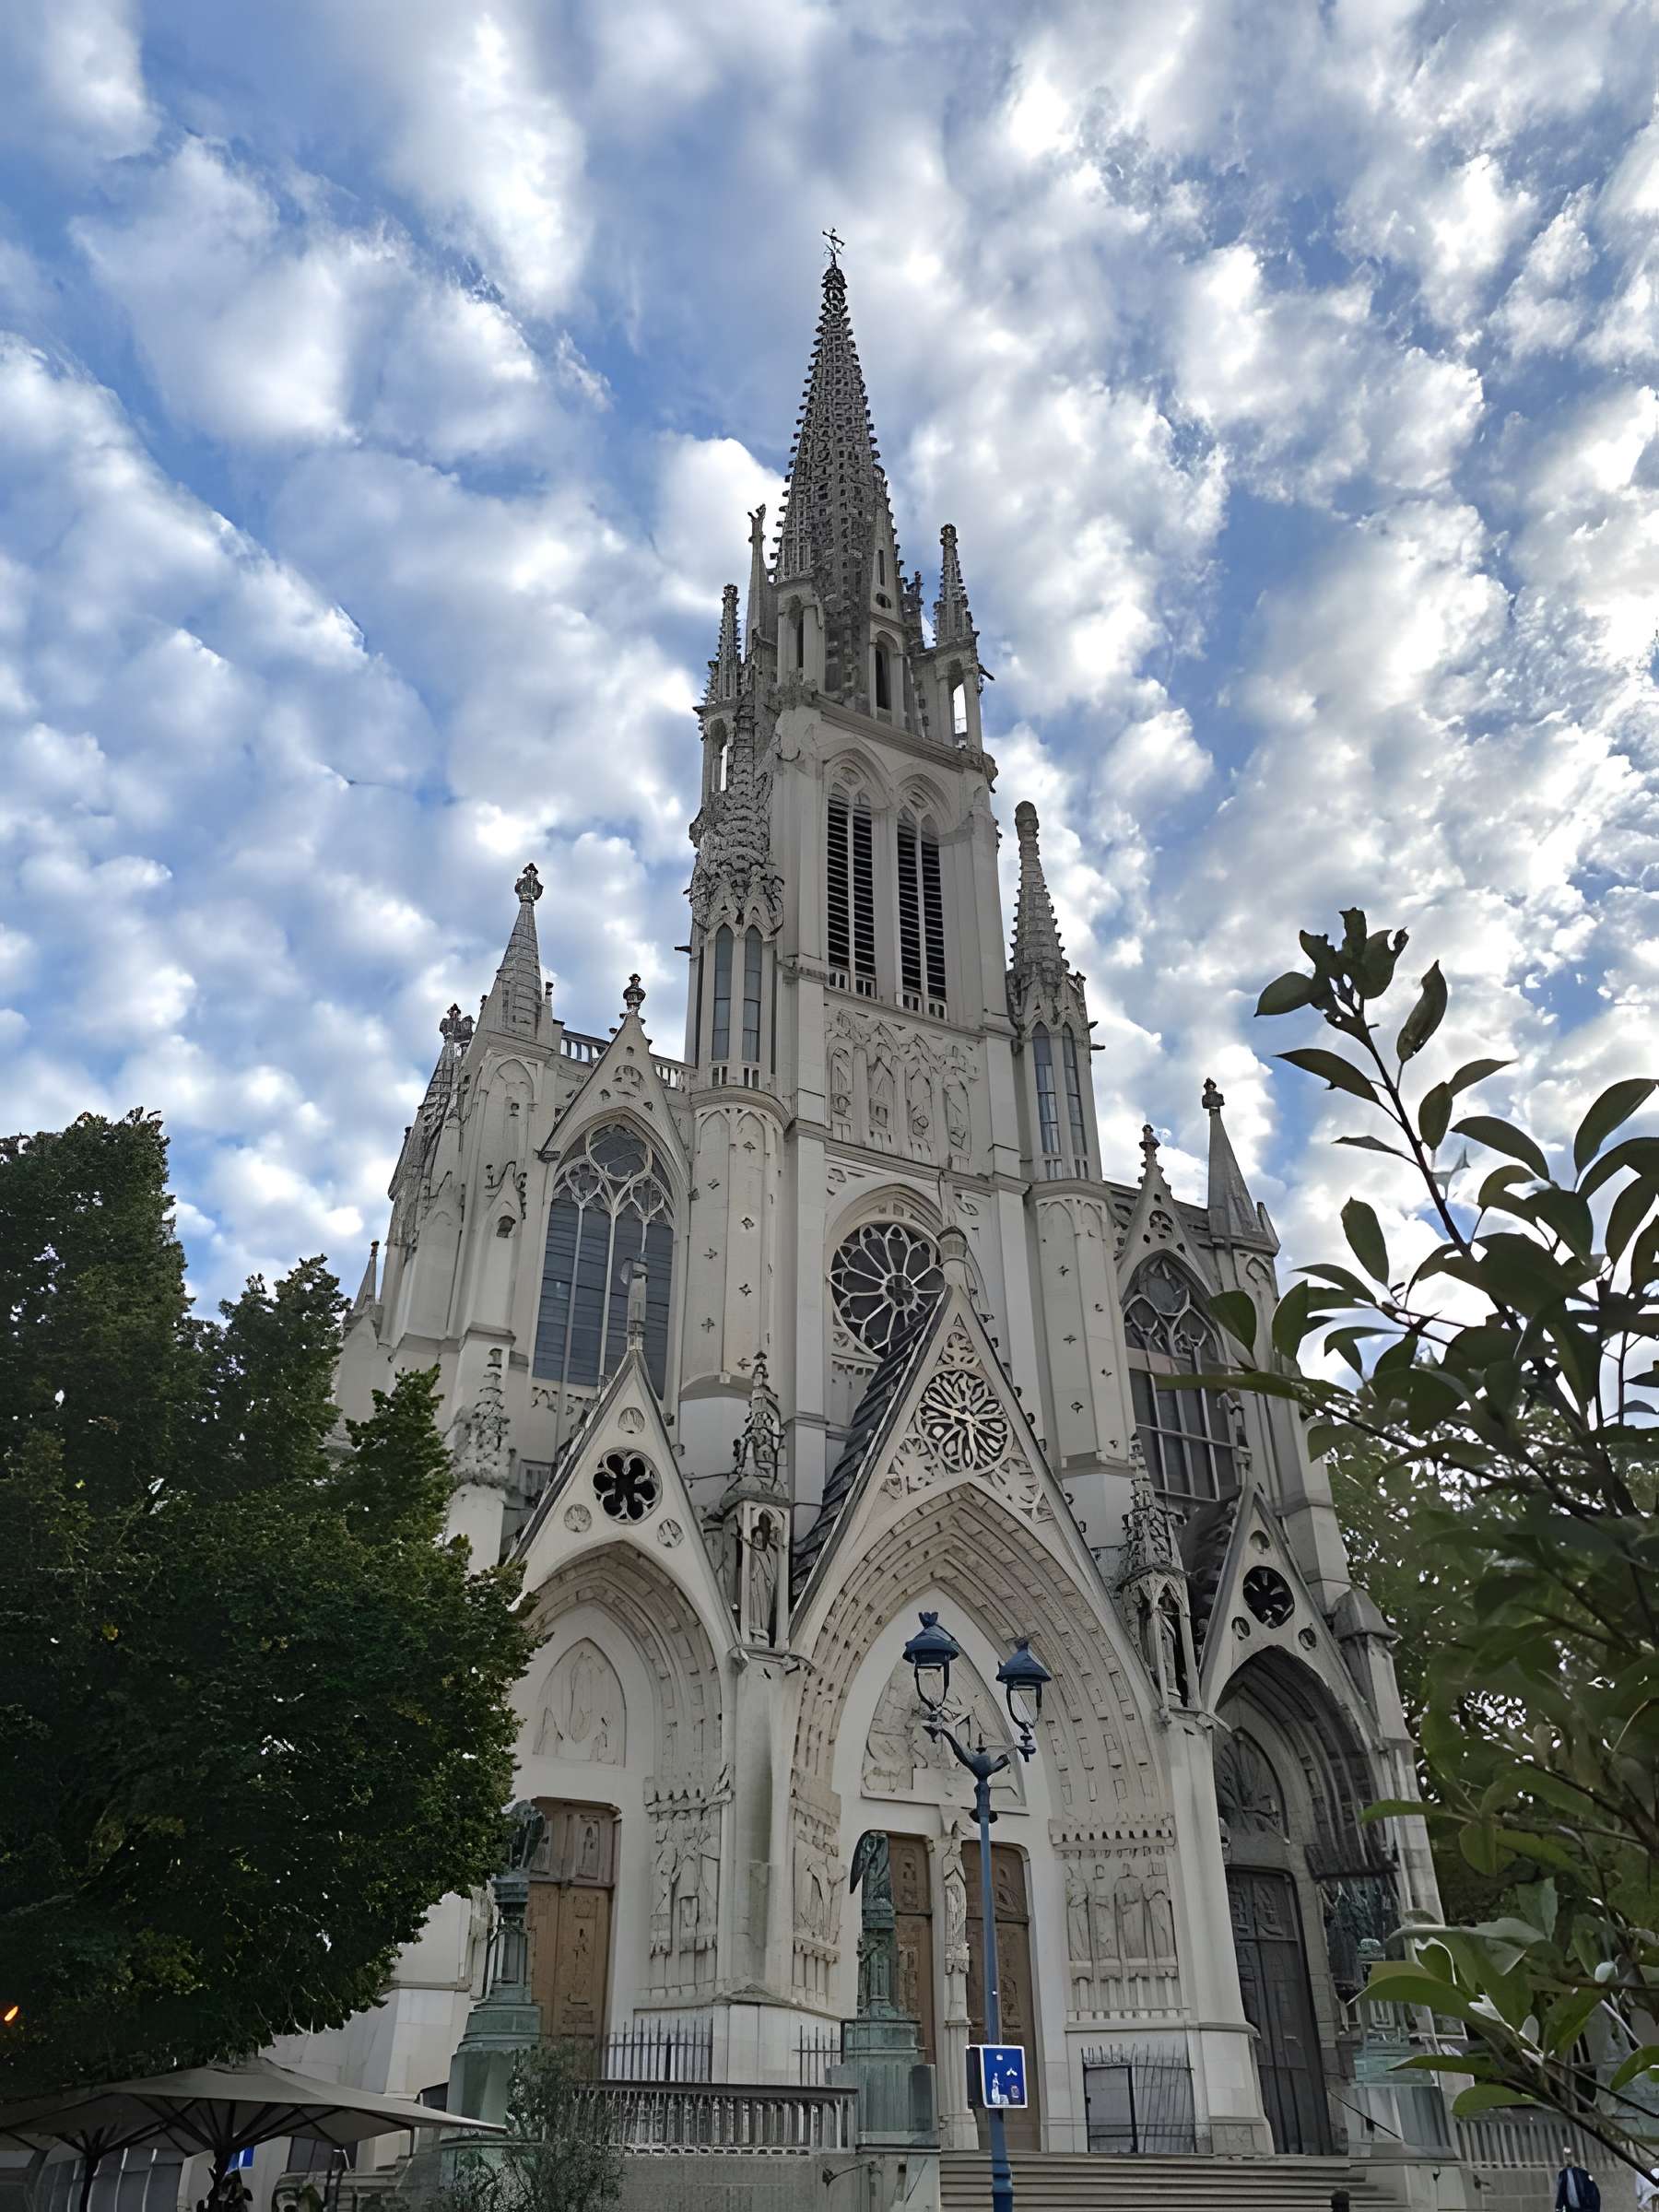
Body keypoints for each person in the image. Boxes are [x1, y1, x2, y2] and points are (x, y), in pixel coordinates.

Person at [1554, 2147, 1600, 2212]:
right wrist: (1559, 2207)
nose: (1567, 2159)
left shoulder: (1582, 2173)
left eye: (1569, 2156)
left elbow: (1593, 2192)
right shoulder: (1562, 2174)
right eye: (1565, 2156)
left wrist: (1593, 2208)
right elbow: (1561, 2193)